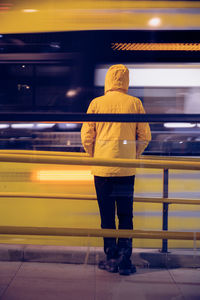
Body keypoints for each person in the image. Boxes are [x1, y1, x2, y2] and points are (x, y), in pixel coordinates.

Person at [81, 64, 151, 275]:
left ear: (108, 80)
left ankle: (110, 257)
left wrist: (95, 156)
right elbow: (145, 136)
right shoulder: (135, 103)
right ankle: (124, 259)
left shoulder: (96, 103)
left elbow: (86, 137)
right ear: (126, 80)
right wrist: (133, 156)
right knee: (126, 215)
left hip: (102, 171)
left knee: (107, 216)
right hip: (126, 171)